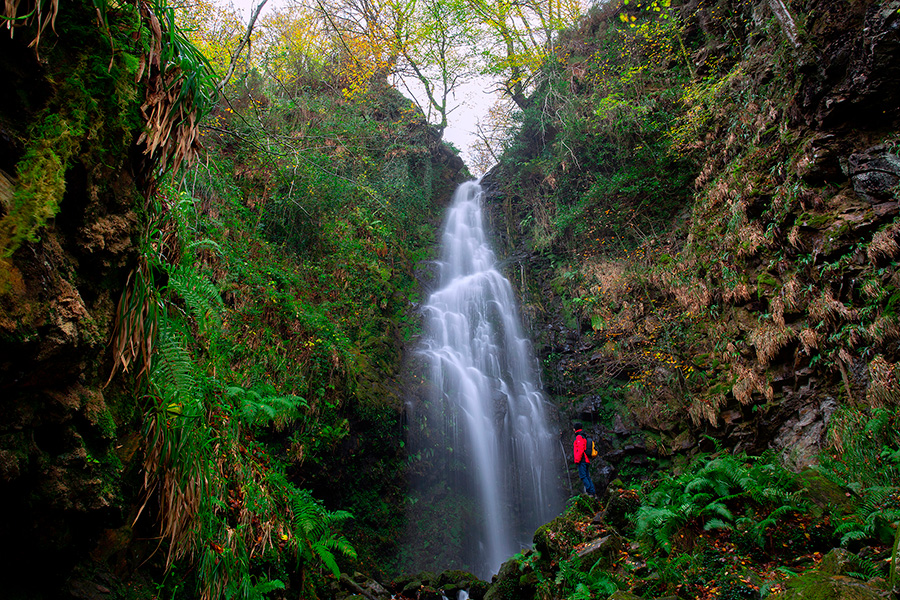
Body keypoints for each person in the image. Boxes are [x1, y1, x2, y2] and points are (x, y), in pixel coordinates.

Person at [572, 422, 597, 497]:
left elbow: (580, 449)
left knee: (583, 476)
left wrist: (577, 460)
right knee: (587, 476)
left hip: (582, 460)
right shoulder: (584, 436)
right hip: (586, 460)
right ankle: (592, 492)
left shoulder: (579, 437)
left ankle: (589, 492)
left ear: (575, 428)